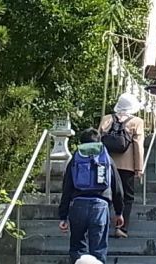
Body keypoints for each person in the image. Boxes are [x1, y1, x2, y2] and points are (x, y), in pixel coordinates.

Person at [58, 128, 125, 264]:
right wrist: (119, 212)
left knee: (77, 249)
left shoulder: (75, 159)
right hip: (100, 206)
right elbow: (117, 188)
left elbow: (66, 189)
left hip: (78, 205)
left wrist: (63, 216)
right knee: (98, 250)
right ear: (99, 141)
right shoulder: (106, 159)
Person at [98, 93, 144, 238]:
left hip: (106, 163)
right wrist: (139, 167)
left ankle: (101, 225)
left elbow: (98, 140)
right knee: (127, 197)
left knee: (105, 194)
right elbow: (138, 146)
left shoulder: (106, 119)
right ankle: (122, 228)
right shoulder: (136, 121)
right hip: (127, 166)